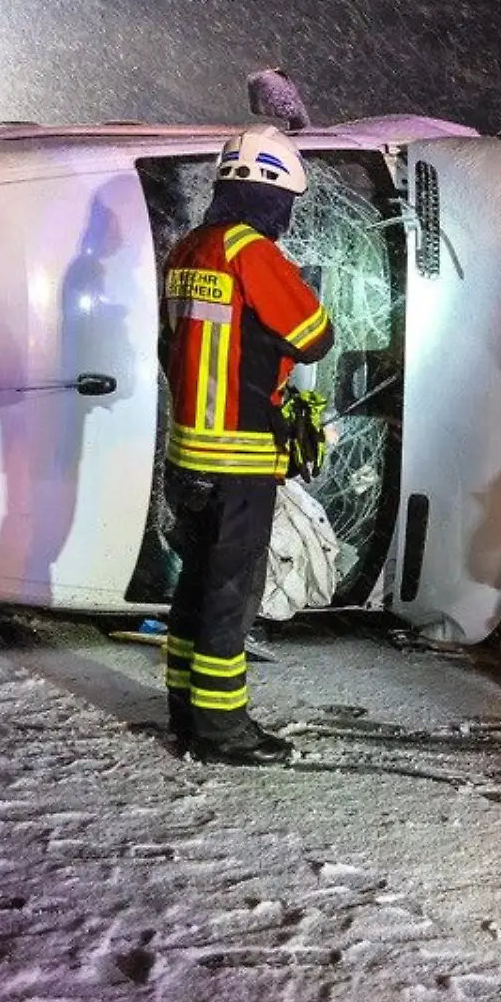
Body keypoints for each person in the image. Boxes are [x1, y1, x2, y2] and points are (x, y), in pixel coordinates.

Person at [160, 123, 334, 765]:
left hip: (186, 456)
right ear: (272, 197)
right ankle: (221, 729)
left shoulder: (187, 248)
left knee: (195, 585)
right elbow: (315, 335)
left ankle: (185, 711)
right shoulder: (252, 252)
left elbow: (169, 345)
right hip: (240, 458)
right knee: (231, 594)